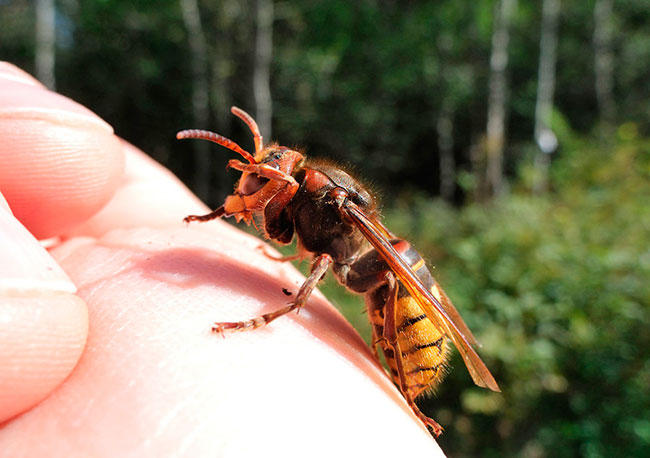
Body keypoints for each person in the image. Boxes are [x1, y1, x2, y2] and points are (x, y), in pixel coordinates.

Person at [0, 62, 443, 456]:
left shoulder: (329, 204)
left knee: (389, 271)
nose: (251, 192)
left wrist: (266, 316)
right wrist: (224, 213)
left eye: (263, 182)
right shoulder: (304, 195)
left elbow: (326, 256)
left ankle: (403, 393)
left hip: (406, 302)